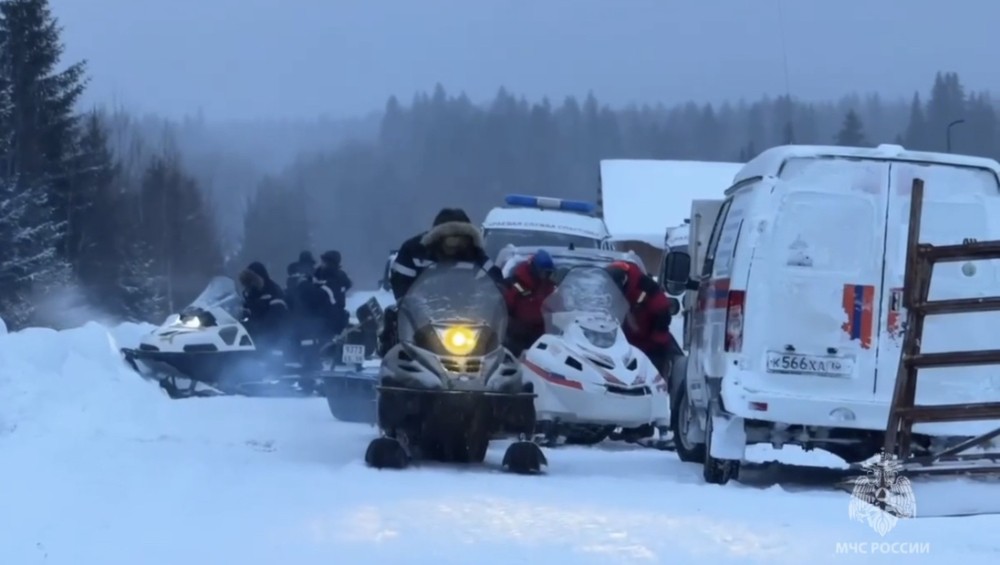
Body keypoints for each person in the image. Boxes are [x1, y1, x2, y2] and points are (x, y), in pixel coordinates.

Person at [380, 208, 502, 355]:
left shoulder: (475, 255)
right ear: (438, 236)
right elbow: (400, 280)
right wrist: (410, 305)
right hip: (423, 316)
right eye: (450, 237)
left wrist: (491, 301)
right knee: (399, 347)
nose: (455, 243)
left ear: (468, 237)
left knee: (494, 346)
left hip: (467, 317)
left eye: (460, 237)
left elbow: (494, 281)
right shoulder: (414, 251)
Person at [605, 260, 675, 372]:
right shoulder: (603, 287)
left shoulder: (646, 289)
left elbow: (661, 311)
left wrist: (656, 353)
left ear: (623, 281)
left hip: (645, 349)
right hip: (611, 347)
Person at [501, 250, 557, 355]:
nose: (546, 276)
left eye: (549, 273)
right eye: (544, 272)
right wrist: (514, 326)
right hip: (517, 338)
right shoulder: (515, 284)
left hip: (544, 338)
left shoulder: (550, 287)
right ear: (534, 269)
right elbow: (503, 310)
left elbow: (559, 310)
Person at [238, 261, 289, 348]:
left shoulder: (274, 292)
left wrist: (254, 325)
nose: (251, 283)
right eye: (249, 281)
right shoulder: (251, 294)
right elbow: (246, 312)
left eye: (253, 280)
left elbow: (275, 319)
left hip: (274, 339)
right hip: (255, 339)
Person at [313, 249, 353, 336]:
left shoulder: (334, 280)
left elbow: (321, 297)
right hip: (334, 318)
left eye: (324, 262)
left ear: (330, 263)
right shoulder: (321, 274)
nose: (321, 264)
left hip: (329, 320)